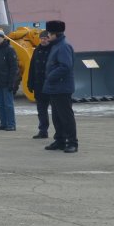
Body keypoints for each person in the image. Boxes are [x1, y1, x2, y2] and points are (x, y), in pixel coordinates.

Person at [42, 20, 78, 153]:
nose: (48, 36)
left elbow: (65, 66)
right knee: (57, 117)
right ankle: (60, 140)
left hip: (62, 87)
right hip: (55, 88)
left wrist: (51, 76)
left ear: (55, 34)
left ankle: (72, 142)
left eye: (50, 34)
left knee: (66, 117)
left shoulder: (63, 46)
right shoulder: (56, 45)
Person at [0, 29, 20, 131]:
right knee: (0, 104)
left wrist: (12, 82)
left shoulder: (9, 50)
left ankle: (11, 124)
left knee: (8, 104)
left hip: (7, 82)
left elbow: (14, 68)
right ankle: (3, 123)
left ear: (3, 38)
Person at [27, 30, 52, 139]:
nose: (43, 40)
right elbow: (32, 68)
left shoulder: (53, 50)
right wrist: (30, 83)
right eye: (42, 38)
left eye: (45, 38)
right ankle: (43, 130)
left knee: (56, 111)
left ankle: (59, 133)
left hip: (50, 86)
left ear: (49, 39)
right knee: (41, 111)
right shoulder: (37, 51)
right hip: (39, 85)